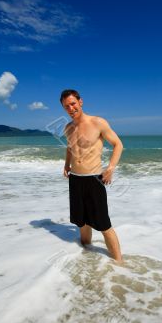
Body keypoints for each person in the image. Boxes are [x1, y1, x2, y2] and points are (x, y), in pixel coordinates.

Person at [60, 89, 123, 263]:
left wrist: (110, 168)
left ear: (80, 102)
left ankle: (120, 263)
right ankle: (86, 256)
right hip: (75, 179)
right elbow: (70, 148)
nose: (71, 108)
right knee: (82, 222)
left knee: (104, 224)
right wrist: (67, 164)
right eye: (67, 106)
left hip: (94, 178)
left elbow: (118, 144)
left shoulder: (98, 122)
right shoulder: (68, 128)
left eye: (73, 103)